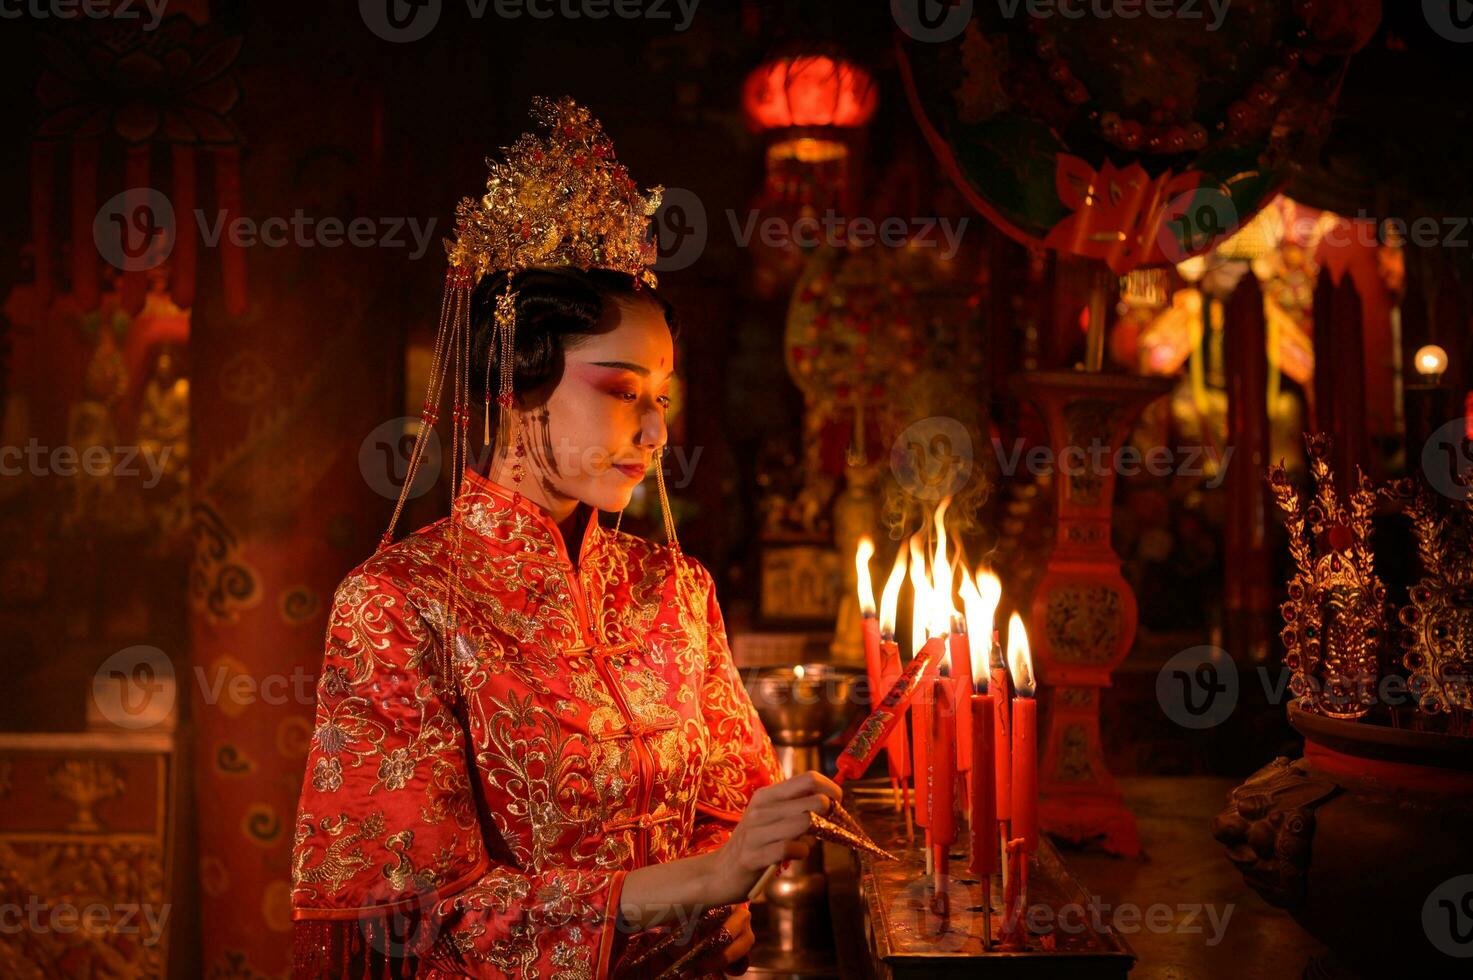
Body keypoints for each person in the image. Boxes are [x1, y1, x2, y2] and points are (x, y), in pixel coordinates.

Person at [290, 97, 840, 979]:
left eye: (661, 397)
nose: (655, 433)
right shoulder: (400, 604)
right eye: (622, 389)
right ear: (515, 381)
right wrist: (703, 880)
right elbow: (423, 915)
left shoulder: (674, 588)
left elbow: (733, 811)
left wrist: (736, 873)